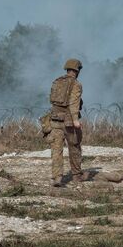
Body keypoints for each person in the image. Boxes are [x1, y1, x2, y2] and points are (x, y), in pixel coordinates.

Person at [49, 58, 85, 186]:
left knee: (56, 150)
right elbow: (74, 103)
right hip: (69, 122)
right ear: (77, 70)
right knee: (74, 147)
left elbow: (52, 100)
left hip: (54, 120)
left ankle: (57, 177)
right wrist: (75, 120)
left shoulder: (57, 82)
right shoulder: (76, 84)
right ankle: (76, 175)